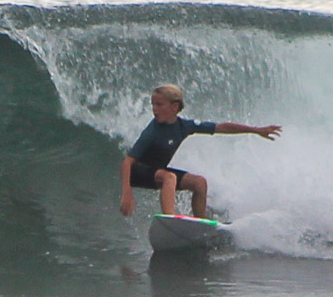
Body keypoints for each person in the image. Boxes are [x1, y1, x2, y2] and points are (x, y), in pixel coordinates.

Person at [120, 84, 281, 219]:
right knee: (169, 177)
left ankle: (200, 223)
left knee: (199, 183)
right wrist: (127, 192)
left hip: (158, 172)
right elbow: (128, 162)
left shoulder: (185, 126)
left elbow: (221, 127)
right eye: (153, 104)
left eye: (159, 104)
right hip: (138, 172)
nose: (154, 109)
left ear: (174, 106)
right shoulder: (153, 130)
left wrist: (255, 130)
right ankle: (170, 220)